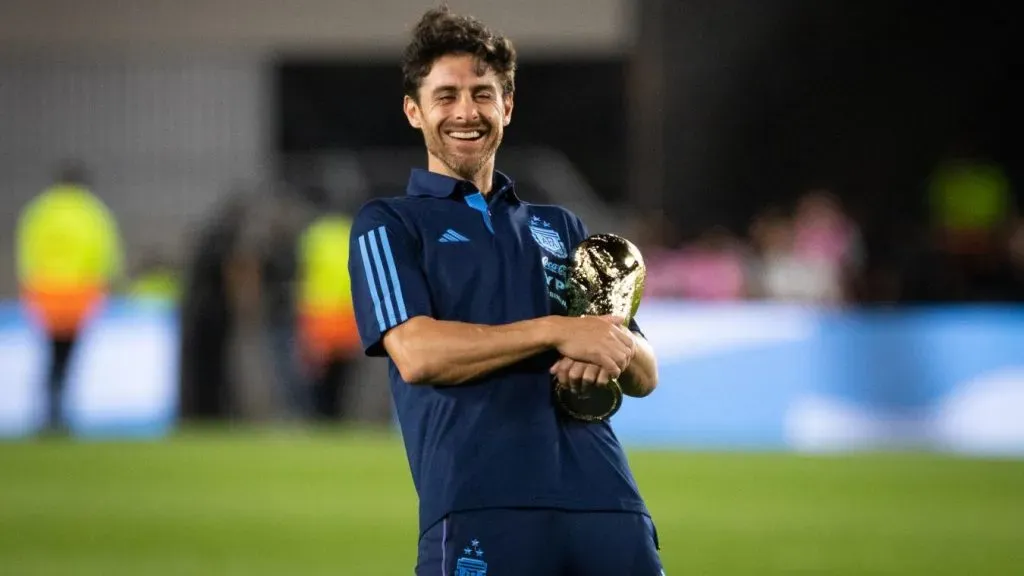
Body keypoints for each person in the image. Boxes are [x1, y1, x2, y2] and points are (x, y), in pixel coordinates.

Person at [347, 6, 663, 575]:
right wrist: (557, 331)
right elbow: (417, 354)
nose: (466, 112)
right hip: (479, 505)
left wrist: (608, 349)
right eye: (445, 96)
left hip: (609, 502)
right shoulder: (389, 223)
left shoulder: (560, 226)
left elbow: (644, 373)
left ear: (507, 107)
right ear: (414, 111)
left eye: (482, 94)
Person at [16, 162, 124, 435]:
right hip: (79, 293)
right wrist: (106, 284)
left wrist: (30, 285)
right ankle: (58, 413)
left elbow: (27, 249)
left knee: (51, 353)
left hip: (45, 291)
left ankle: (48, 412)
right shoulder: (92, 211)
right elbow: (105, 251)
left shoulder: (41, 210)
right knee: (67, 356)